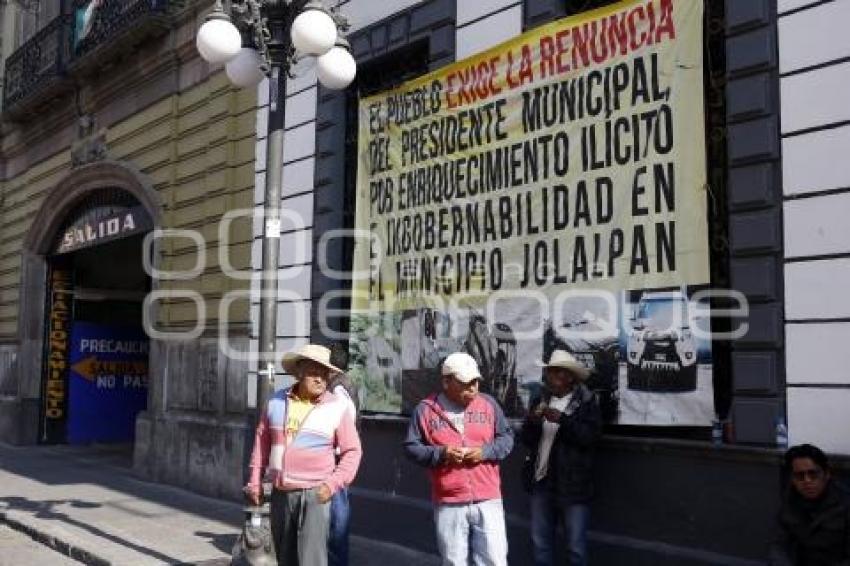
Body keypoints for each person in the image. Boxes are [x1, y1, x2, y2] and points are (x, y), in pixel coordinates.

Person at [246, 344, 362, 566]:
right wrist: (255, 482)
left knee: (312, 560)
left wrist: (332, 484)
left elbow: (353, 451)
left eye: (324, 374)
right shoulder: (276, 402)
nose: (320, 380)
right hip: (282, 493)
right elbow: (261, 444)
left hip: (315, 493)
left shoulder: (336, 406)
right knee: (285, 557)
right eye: (313, 373)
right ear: (299, 373)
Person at [404, 351, 514, 566]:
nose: (472, 388)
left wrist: (485, 452)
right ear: (446, 382)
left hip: (488, 497)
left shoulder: (489, 405)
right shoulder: (426, 410)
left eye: (475, 381)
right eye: (465, 383)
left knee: (494, 560)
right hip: (449, 500)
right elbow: (411, 447)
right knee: (454, 561)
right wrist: (441, 454)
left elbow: (507, 438)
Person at [520, 349, 602, 566]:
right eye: (549, 372)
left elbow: (590, 438)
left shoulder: (586, 402)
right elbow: (528, 441)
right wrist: (531, 423)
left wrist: (563, 421)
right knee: (540, 543)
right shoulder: (540, 399)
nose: (549, 376)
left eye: (556, 372)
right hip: (541, 483)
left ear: (569, 377)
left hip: (573, 486)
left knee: (575, 548)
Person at [769, 443, 850, 566]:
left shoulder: (845, 503)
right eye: (800, 476)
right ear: (793, 479)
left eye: (813, 474)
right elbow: (778, 545)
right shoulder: (790, 502)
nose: (807, 481)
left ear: (826, 474)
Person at [327, 342, 360, 566]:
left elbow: (339, 421)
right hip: (339, 455)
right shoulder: (343, 384)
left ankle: (336, 561)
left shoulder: (337, 389)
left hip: (336, 457)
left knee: (337, 515)